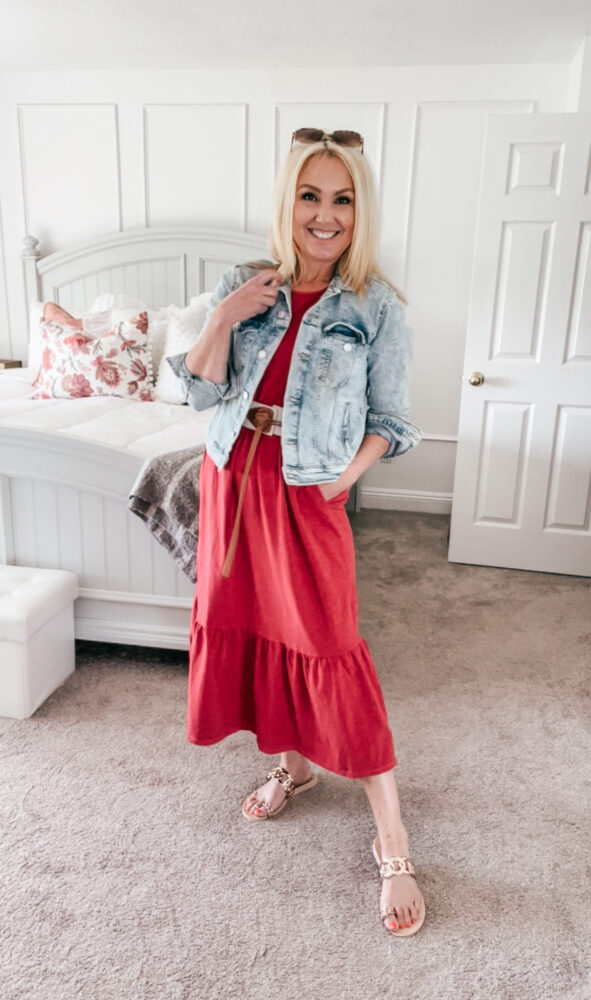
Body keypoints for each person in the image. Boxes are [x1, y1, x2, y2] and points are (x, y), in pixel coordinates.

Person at [167, 128, 425, 937]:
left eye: (341, 199)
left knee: (329, 645)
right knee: (254, 632)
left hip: (307, 491)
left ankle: (392, 841)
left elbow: (392, 422)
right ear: (289, 204)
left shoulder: (374, 304)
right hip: (233, 480)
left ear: (359, 210)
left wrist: (344, 480)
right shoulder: (243, 283)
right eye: (310, 197)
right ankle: (293, 768)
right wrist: (226, 317)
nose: (325, 215)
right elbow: (199, 396)